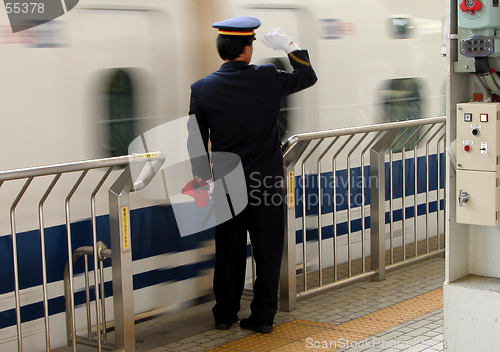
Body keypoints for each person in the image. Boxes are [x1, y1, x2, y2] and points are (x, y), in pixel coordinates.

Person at [187, 16, 317, 333]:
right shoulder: (266, 77)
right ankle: (262, 318)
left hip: (227, 184)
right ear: (247, 50)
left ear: (222, 51)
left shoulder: (201, 89)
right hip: (267, 182)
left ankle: (224, 314)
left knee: (229, 252)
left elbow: (195, 139)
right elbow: (307, 76)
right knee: (268, 251)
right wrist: (289, 46)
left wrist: (201, 181)